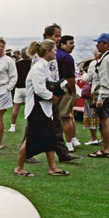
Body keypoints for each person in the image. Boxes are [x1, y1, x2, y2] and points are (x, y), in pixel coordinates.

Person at [14, 40, 68, 177]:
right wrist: (52, 97)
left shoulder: (45, 67)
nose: (56, 52)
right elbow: (39, 89)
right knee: (30, 138)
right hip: (37, 108)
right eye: (54, 49)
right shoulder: (38, 68)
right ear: (48, 51)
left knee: (50, 137)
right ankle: (19, 167)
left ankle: (53, 167)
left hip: (44, 107)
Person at [35, 23, 81, 162]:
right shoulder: (41, 58)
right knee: (36, 128)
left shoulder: (54, 56)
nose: (59, 39)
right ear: (48, 37)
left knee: (54, 126)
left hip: (52, 95)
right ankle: (25, 156)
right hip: (43, 97)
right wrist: (50, 94)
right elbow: (39, 80)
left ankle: (62, 155)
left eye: (60, 36)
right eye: (56, 36)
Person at [56, 35, 79, 151]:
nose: (73, 45)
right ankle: (69, 143)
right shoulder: (67, 57)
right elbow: (70, 77)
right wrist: (73, 91)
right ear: (62, 44)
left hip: (55, 88)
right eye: (71, 43)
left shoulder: (56, 55)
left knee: (67, 116)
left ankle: (72, 139)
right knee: (67, 117)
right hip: (65, 89)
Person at [8, 47, 32, 133]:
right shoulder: (32, 64)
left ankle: (13, 126)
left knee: (16, 108)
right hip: (28, 88)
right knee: (29, 108)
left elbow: (14, 76)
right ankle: (29, 126)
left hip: (19, 88)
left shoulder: (17, 64)